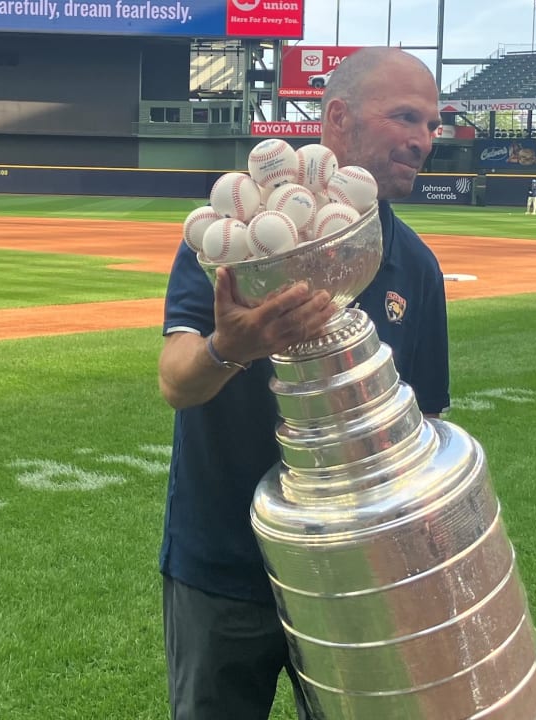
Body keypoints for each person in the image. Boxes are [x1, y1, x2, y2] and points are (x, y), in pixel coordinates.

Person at [156, 47, 451, 720]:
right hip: (226, 567)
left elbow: (424, 427)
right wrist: (230, 349)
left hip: (356, 580)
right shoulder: (233, 242)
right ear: (339, 119)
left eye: (433, 125)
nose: (423, 140)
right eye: (405, 117)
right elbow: (176, 383)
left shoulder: (415, 267)